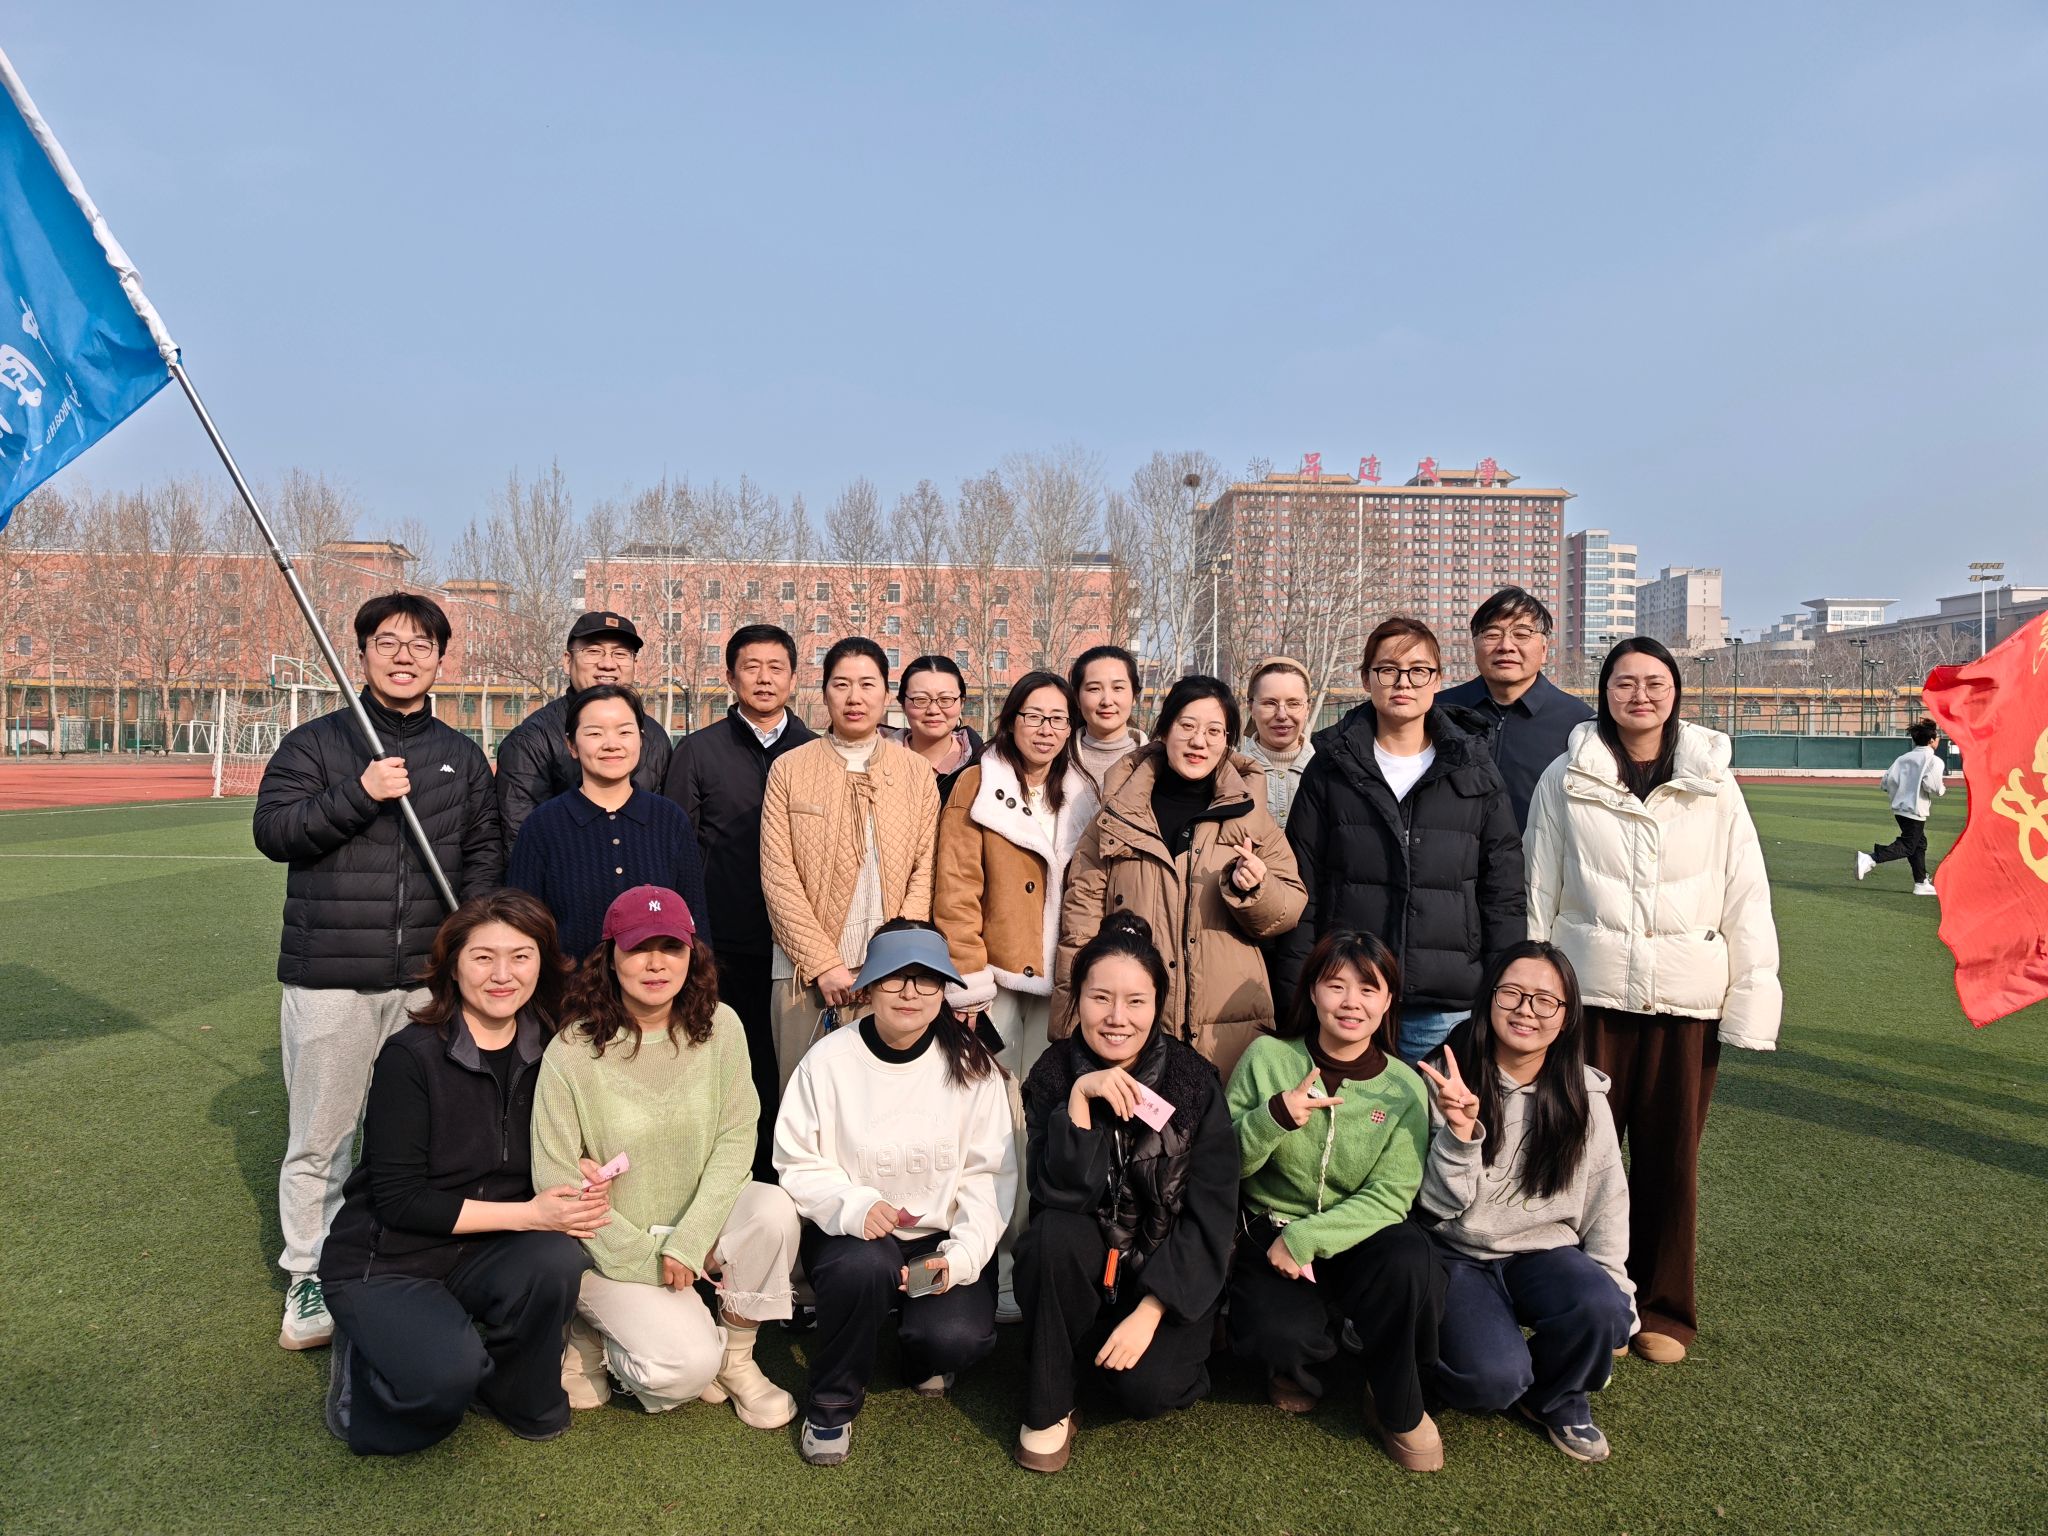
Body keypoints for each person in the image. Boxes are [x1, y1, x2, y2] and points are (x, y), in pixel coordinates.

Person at [253, 592, 504, 1352]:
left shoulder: (461, 755)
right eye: (388, 642)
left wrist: (470, 948)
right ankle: (308, 1272)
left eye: (421, 645)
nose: (404, 656)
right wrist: (360, 794)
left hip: (427, 981)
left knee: (419, 1138)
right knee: (322, 1138)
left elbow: (483, 854)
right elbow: (275, 831)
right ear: (360, 652)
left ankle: (403, 1256)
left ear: (440, 659)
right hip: (332, 976)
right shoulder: (315, 744)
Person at [1524, 636, 1781, 1365]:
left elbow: (1746, 894)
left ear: (1674, 693)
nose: (1639, 696)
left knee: (1671, 1161)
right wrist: (1535, 994)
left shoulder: (1714, 782)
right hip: (1589, 999)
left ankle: (1665, 1307)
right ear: (1604, 692)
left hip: (1685, 1004)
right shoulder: (1566, 775)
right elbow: (1537, 888)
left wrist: (1751, 1001)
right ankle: (1588, 1300)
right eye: (1624, 683)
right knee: (1576, 1157)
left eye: (1654, 683)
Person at [318, 890, 597, 1455]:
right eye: (483, 957)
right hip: (392, 1258)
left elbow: (561, 1139)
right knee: (442, 1386)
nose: (503, 975)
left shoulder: (553, 1046)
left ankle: (510, 1390)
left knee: (556, 1259)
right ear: (452, 965)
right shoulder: (410, 1056)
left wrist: (582, 1166)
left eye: (520, 956)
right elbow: (400, 1200)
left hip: (487, 1248)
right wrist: (531, 1215)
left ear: (542, 963)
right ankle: (365, 1362)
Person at [532, 886, 801, 1428]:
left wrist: (689, 1240)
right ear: (610, 958)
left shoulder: (722, 1026)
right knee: (683, 1371)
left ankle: (736, 1361)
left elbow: (736, 1136)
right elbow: (555, 1178)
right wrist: (649, 1259)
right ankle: (590, 1331)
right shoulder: (571, 1050)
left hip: (690, 1237)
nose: (656, 964)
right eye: (638, 948)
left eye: (671, 947)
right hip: (611, 1247)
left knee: (774, 1211)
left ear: (691, 956)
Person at [772, 922, 1017, 1467]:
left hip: (937, 1244)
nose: (910, 992)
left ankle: (918, 1346)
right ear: (869, 984)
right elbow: (796, 1159)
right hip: (856, 1236)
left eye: (926, 979)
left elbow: (989, 1179)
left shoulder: (973, 1067)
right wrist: (856, 1206)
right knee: (863, 1268)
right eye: (894, 977)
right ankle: (832, 1401)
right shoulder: (828, 1062)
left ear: (944, 989)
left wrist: (960, 1259)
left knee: (954, 1338)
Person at [1012, 913, 1235, 1473]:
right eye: (1100, 998)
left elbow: (1212, 1214)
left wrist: (1152, 1309)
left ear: (1157, 1004)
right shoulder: (1051, 1075)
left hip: (1164, 1276)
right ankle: (1049, 1406)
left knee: (1146, 1390)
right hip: (1086, 1266)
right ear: (1077, 1000)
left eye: (1135, 1001)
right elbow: (1055, 1200)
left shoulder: (1194, 1081)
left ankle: (1148, 1344)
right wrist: (1079, 1102)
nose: (1117, 1018)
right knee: (1051, 1236)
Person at [1224, 930, 1445, 1472]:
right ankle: (1304, 1355)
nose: (1351, 1002)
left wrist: (1309, 1238)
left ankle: (1394, 1398)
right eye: (1336, 985)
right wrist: (1274, 1118)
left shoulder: (1405, 1087)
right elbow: (1223, 1164)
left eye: (1368, 989)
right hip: (1270, 1235)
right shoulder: (1268, 1057)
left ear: (1388, 1001)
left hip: (1355, 1238)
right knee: (1279, 1338)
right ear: (1312, 992)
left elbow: (1391, 1196)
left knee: (1413, 1257)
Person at [1416, 941, 1634, 1464]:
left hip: (1541, 1251)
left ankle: (1555, 1397)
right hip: (1455, 1252)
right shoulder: (1440, 1081)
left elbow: (1607, 1197)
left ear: (1567, 1015)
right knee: (1491, 1380)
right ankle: (1412, 1361)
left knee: (1604, 1308)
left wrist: (1614, 1290)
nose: (1525, 1011)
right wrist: (1460, 1134)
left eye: (1545, 1000)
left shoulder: (1584, 1096)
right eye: (1511, 993)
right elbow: (1434, 1208)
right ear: (1488, 998)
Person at [1273, 616, 1525, 1065]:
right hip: (1349, 1000)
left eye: (1418, 670)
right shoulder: (1331, 768)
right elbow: (1302, 890)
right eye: (1388, 670)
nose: (1403, 682)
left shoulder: (1473, 768)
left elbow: (1502, 893)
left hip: (1444, 1007)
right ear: (1366, 678)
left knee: (1440, 1110)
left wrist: (1501, 990)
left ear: (1438, 680)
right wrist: (1297, 997)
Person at [933, 670, 1100, 1321]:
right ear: (1010, 719)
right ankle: (983, 1266)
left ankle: (1025, 1267)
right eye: (1033, 715)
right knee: (989, 1125)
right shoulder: (978, 784)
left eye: (1058, 718)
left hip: (1060, 990)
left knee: (1041, 1124)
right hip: (994, 987)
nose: (1046, 729)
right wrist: (968, 981)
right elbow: (955, 890)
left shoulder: (1082, 792)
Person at [1058, 675, 1305, 1081]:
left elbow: (1290, 905)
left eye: (1214, 731)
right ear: (1164, 729)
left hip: (1226, 1026)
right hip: (1131, 1027)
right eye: (1187, 726)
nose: (1199, 741)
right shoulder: (1118, 815)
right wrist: (1068, 1032)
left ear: (1228, 741)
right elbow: (1080, 926)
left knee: (1221, 1120)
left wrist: (1256, 889)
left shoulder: (1249, 815)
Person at [663, 624, 817, 1176]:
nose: (764, 678)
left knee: (795, 1073)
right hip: (725, 945)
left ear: (794, 678)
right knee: (732, 1069)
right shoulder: (698, 752)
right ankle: (731, 1178)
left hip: (801, 949)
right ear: (730, 676)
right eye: (751, 667)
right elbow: (678, 849)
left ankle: (790, 1180)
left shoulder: (814, 752)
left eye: (776, 668)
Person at [760, 638, 941, 1092]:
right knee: (808, 1099)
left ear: (886, 694)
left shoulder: (916, 772)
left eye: (867, 684)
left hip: (893, 976)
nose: (854, 697)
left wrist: (893, 959)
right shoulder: (789, 768)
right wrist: (823, 965)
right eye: (841, 684)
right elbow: (778, 875)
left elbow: (925, 870)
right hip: (804, 975)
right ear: (824, 693)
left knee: (887, 1102)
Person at [506, 684, 710, 963]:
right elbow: (521, 929)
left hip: (656, 985)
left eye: (624, 732)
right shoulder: (543, 826)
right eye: (595, 733)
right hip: (570, 987)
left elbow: (695, 919)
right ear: (572, 745)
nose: (611, 744)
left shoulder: (670, 820)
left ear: (641, 740)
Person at [495, 611, 673, 854]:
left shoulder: (655, 736)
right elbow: (521, 839)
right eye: (593, 651)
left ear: (635, 665)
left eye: (621, 653)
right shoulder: (531, 740)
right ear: (567, 661)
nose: (608, 663)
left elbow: (664, 828)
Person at [1439, 588, 1594, 831]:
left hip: (1536, 853)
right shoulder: (1439, 711)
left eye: (1521, 634)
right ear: (1475, 645)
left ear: (1544, 649)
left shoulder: (1580, 724)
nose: (1505, 646)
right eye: (1492, 634)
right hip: (1451, 853)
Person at [1856, 718, 1946, 895]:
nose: (1939, 739)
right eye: (1937, 737)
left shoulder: (1903, 758)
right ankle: (1871, 859)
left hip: (1900, 809)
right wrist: (1942, 789)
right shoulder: (1933, 760)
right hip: (1915, 809)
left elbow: (1885, 782)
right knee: (1909, 845)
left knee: (1919, 843)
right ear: (1931, 740)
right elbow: (1933, 787)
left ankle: (1921, 882)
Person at [887, 653, 984, 805]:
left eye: (945, 699)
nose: (933, 710)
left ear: (962, 703)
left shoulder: (984, 765)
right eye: (921, 700)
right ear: (903, 705)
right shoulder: (876, 762)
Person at [1240, 656, 1317, 830]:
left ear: (1308, 708)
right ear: (1251, 708)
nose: (1282, 715)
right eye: (1269, 703)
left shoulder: (1329, 772)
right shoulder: (1231, 774)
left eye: (1293, 703)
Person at [1069, 644, 1147, 792]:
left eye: (1118, 688)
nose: (1107, 701)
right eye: (1094, 689)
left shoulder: (1157, 763)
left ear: (1134, 696)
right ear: (1077, 698)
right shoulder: (1056, 760)